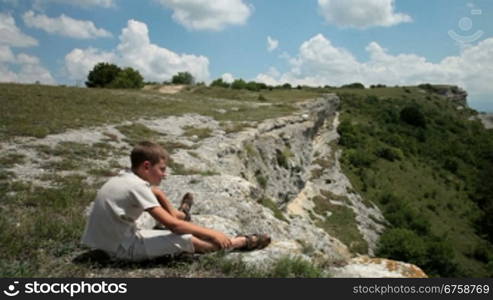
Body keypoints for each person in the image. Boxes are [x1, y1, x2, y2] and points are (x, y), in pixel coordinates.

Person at [81, 141, 270, 261]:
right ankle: (241, 242)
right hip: (120, 250)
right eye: (162, 169)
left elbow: (154, 191)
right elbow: (174, 227)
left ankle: (181, 212)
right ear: (146, 166)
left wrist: (174, 216)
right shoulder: (138, 187)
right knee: (187, 239)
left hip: (103, 242)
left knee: (156, 198)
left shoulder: (125, 177)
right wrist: (212, 233)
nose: (164, 175)